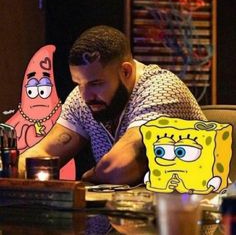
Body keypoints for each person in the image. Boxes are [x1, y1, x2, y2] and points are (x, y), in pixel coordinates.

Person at [18, 25, 206, 185]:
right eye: (78, 83)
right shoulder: (82, 97)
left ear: (125, 71)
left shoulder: (161, 88)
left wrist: (88, 176)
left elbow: (118, 169)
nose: (85, 95)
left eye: (96, 83)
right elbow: (41, 154)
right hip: (131, 217)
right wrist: (12, 170)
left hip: (192, 213)